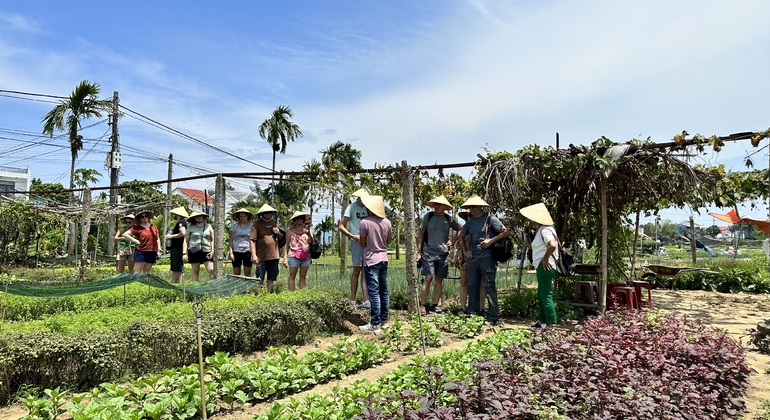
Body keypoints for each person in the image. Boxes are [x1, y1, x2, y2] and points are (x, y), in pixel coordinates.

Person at [458, 195, 509, 325]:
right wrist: (465, 251)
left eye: (474, 206)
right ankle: (473, 314)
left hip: (487, 258)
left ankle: (493, 316)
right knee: (472, 286)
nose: (472, 209)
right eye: (470, 207)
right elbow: (461, 236)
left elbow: (505, 232)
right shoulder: (469, 222)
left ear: (480, 207)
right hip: (473, 259)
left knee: (489, 286)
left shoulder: (490, 218)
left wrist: (490, 241)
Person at [417, 194, 460, 315]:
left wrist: (453, 241)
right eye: (435, 204)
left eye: (439, 204)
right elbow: (421, 234)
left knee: (439, 279)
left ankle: (435, 305)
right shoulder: (428, 217)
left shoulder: (448, 219)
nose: (436, 206)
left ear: (445, 207)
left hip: (443, 253)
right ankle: (422, 305)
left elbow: (460, 229)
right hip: (428, 252)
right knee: (428, 277)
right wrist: (418, 252)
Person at [520, 202, 558, 329]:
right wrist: (532, 247)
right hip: (543, 266)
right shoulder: (542, 230)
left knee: (546, 296)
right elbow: (543, 247)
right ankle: (542, 322)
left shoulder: (545, 230)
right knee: (542, 295)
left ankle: (551, 325)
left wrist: (545, 258)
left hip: (545, 267)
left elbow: (552, 245)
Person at [358, 195, 393, 333]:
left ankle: (375, 323)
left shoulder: (364, 223)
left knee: (373, 292)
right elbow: (388, 241)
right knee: (384, 291)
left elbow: (362, 242)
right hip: (383, 258)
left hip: (371, 259)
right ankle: (384, 321)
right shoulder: (387, 222)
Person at [338, 187, 371, 310]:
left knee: (366, 271)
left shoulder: (370, 207)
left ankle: (366, 300)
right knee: (356, 270)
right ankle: (352, 300)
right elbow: (341, 226)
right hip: (356, 242)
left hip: (369, 242)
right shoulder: (351, 208)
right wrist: (353, 236)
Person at [454, 210, 485, 313]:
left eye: (471, 214)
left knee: (480, 284)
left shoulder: (482, 227)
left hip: (480, 258)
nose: (469, 216)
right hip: (465, 259)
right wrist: (459, 256)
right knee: (464, 283)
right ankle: (463, 308)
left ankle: (481, 308)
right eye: (467, 215)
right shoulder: (463, 228)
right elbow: (459, 244)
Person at [250, 203, 284, 292]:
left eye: (270, 213)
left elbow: (281, 238)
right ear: (261, 214)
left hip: (274, 255)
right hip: (261, 256)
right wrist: (253, 255)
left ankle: (268, 293)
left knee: (272, 276)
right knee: (260, 276)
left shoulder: (274, 223)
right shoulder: (256, 225)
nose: (268, 215)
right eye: (266, 213)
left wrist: (278, 232)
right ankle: (260, 293)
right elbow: (252, 240)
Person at [283, 210, 314, 291]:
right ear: (295, 220)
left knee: (303, 276)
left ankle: (302, 294)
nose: (299, 220)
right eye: (297, 218)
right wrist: (285, 258)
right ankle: (291, 294)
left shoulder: (307, 230)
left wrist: (308, 232)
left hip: (305, 255)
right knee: (292, 275)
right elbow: (286, 244)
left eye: (301, 218)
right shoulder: (290, 231)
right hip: (293, 255)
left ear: (304, 219)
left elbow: (311, 241)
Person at [123, 210, 161, 274]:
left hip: (152, 251)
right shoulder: (137, 228)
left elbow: (157, 238)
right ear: (139, 219)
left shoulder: (153, 227)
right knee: (138, 271)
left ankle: (145, 283)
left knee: (147, 271)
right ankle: (136, 283)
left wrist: (159, 250)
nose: (144, 218)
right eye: (142, 217)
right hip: (141, 252)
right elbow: (125, 234)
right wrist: (135, 240)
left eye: (146, 216)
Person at [184, 210, 214, 282]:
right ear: (194, 218)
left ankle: (211, 288)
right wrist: (184, 253)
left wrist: (213, 250)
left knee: (211, 270)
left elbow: (213, 239)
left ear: (203, 217)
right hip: (194, 251)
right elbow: (185, 241)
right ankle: (195, 288)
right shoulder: (190, 227)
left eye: (200, 216)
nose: (199, 218)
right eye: (196, 217)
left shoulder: (208, 226)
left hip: (206, 251)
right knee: (195, 271)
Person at [165, 206, 189, 283]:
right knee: (175, 268)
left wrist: (170, 236)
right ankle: (175, 282)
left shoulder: (181, 222)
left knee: (178, 268)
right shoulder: (180, 222)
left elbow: (183, 233)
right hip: (175, 247)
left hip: (178, 247)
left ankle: (179, 283)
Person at [229, 208, 254, 276]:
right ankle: (237, 286)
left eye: (244, 216)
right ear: (239, 218)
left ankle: (247, 286)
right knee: (236, 273)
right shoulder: (235, 226)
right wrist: (231, 252)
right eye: (241, 216)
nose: (243, 218)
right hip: (237, 250)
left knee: (247, 273)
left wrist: (253, 253)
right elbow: (231, 240)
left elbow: (253, 240)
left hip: (248, 250)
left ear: (247, 217)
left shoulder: (252, 226)